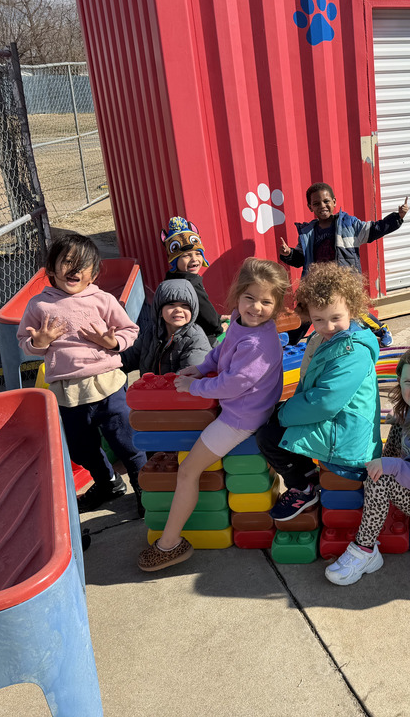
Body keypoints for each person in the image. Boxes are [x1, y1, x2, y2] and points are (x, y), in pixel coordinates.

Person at [136, 258, 290, 571]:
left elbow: (233, 385)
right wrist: (203, 367)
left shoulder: (260, 343)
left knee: (187, 470)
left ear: (277, 305)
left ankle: (170, 544)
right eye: (249, 298)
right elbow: (221, 350)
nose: (255, 307)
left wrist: (193, 387)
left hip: (243, 417)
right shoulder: (238, 320)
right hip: (236, 405)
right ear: (238, 296)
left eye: (266, 302)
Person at [17, 233, 147, 513]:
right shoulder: (39, 305)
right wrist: (39, 343)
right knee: (80, 449)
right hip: (68, 393)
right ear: (51, 269)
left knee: (127, 442)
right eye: (67, 262)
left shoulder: (102, 300)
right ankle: (107, 482)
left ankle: (144, 488)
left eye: (82, 265)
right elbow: (25, 343)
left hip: (108, 385)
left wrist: (111, 343)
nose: (74, 270)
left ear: (94, 273)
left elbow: (129, 330)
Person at [325, 345, 410, 585]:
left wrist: (391, 467)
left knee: (380, 480)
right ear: (399, 380)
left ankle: (365, 551)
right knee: (399, 422)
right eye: (408, 382)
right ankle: (380, 470)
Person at [256, 262, 381, 521]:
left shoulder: (352, 351)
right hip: (339, 423)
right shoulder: (329, 339)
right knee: (273, 417)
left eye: (336, 318)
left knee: (268, 433)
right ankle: (307, 474)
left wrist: (284, 414)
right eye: (318, 320)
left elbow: (324, 402)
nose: (328, 326)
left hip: (346, 439)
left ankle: (303, 487)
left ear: (353, 309)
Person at [278, 183, 408, 345]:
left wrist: (397, 217)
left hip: (342, 280)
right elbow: (299, 259)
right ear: (310, 206)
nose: (322, 206)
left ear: (334, 201)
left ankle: (381, 329)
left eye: (326, 201)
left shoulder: (349, 224)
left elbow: (374, 229)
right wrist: (288, 253)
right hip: (317, 282)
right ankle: (290, 340)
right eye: (316, 203)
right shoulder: (307, 232)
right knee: (307, 309)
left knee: (352, 311)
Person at [121, 278, 211, 377]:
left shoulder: (196, 339)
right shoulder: (151, 333)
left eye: (184, 305)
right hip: (152, 390)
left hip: (179, 390)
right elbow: (128, 358)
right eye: (171, 304)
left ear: (193, 310)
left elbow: (188, 375)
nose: (178, 310)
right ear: (159, 311)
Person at [161, 216, 223, 344]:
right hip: (200, 339)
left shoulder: (169, 281)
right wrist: (220, 326)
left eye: (198, 254)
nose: (194, 259)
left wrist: (219, 317)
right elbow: (209, 317)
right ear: (174, 261)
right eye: (186, 256)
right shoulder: (191, 284)